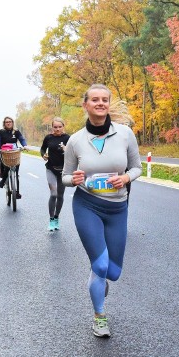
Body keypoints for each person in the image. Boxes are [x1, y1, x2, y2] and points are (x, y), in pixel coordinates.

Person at [62, 84, 142, 338]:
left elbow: (137, 168)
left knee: (114, 273)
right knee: (101, 265)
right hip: (87, 204)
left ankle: (99, 275)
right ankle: (99, 316)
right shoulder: (75, 140)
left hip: (118, 207)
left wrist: (127, 179)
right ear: (85, 105)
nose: (100, 104)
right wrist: (72, 180)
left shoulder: (126, 134)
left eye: (104, 100)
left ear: (109, 104)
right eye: (94, 100)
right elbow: (64, 176)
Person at [40, 117, 70, 231]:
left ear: (63, 127)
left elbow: (73, 154)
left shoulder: (68, 138)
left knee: (60, 195)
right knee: (53, 194)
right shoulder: (48, 138)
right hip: (51, 169)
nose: (57, 129)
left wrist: (66, 149)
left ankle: (57, 217)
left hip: (63, 171)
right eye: (55, 127)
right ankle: (51, 219)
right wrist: (43, 155)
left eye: (60, 127)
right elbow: (42, 149)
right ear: (52, 127)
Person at [0, 116, 28, 198]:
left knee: (16, 173)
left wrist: (25, 146)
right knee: (5, 168)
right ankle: (3, 180)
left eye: (10, 121)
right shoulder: (1, 132)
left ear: (12, 123)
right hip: (4, 153)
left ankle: (17, 192)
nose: (8, 123)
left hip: (14, 153)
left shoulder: (16, 131)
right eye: (7, 122)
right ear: (4, 123)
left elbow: (21, 139)